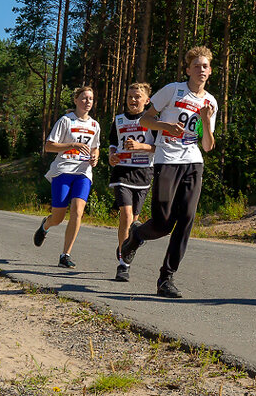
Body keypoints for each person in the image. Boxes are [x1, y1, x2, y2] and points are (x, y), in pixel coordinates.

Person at [119, 47, 218, 298]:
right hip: (167, 159)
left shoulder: (211, 102)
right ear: (187, 70)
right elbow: (145, 120)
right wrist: (165, 126)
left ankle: (166, 278)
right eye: (196, 66)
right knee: (163, 223)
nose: (201, 70)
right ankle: (137, 235)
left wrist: (206, 122)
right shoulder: (173, 90)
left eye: (205, 66)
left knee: (186, 220)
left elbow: (207, 146)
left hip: (193, 162)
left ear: (210, 71)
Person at [33, 86, 101, 268]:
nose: (88, 102)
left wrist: (95, 156)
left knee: (78, 211)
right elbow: (49, 146)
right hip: (63, 170)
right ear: (76, 100)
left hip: (83, 172)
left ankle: (65, 254)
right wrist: (72, 145)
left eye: (91, 99)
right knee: (58, 217)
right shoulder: (65, 121)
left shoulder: (95, 125)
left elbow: (96, 147)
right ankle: (45, 226)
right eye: (84, 98)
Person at [107, 82, 158, 282]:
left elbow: (157, 148)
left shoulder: (153, 121)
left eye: (137, 97)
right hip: (121, 173)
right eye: (130, 97)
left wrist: (140, 146)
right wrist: (112, 156)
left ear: (147, 101)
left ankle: (127, 245)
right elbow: (113, 144)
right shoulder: (118, 120)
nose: (133, 100)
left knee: (134, 221)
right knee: (126, 215)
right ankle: (123, 264)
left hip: (143, 173)